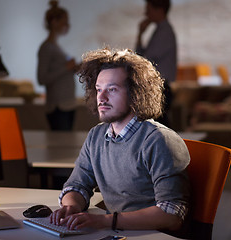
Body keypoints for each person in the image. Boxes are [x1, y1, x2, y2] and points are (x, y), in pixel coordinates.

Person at [50, 48, 191, 237]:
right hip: (114, 232)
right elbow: (77, 185)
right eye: (99, 89)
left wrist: (105, 221)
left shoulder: (159, 140)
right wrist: (71, 206)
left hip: (150, 236)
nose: (101, 97)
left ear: (136, 93)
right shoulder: (96, 136)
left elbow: (171, 214)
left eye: (112, 89)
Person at [37, 0, 78, 131]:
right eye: (64, 22)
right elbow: (42, 78)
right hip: (58, 107)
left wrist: (72, 68)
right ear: (54, 22)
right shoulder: (46, 48)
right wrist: (66, 68)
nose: (67, 25)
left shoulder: (55, 47)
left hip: (66, 104)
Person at [135, 0, 177, 128]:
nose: (146, 13)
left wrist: (140, 33)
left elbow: (142, 60)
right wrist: (140, 34)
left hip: (160, 86)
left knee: (158, 126)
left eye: (148, 9)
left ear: (159, 10)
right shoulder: (161, 30)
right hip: (160, 85)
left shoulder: (164, 32)